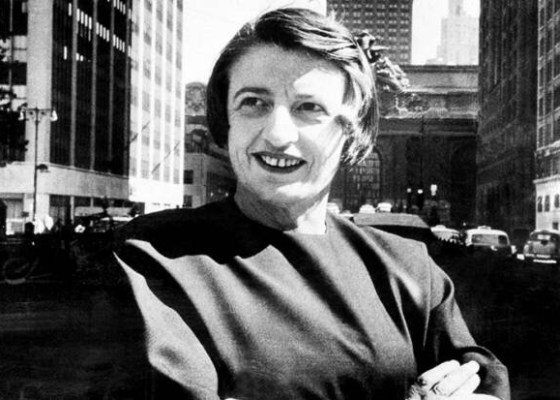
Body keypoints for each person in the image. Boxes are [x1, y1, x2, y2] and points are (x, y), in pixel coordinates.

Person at [113, 8, 509, 400]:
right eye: (254, 102)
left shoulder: (411, 271)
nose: (278, 134)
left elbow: (480, 383)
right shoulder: (150, 257)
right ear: (226, 120)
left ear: (351, 132)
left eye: (309, 108)